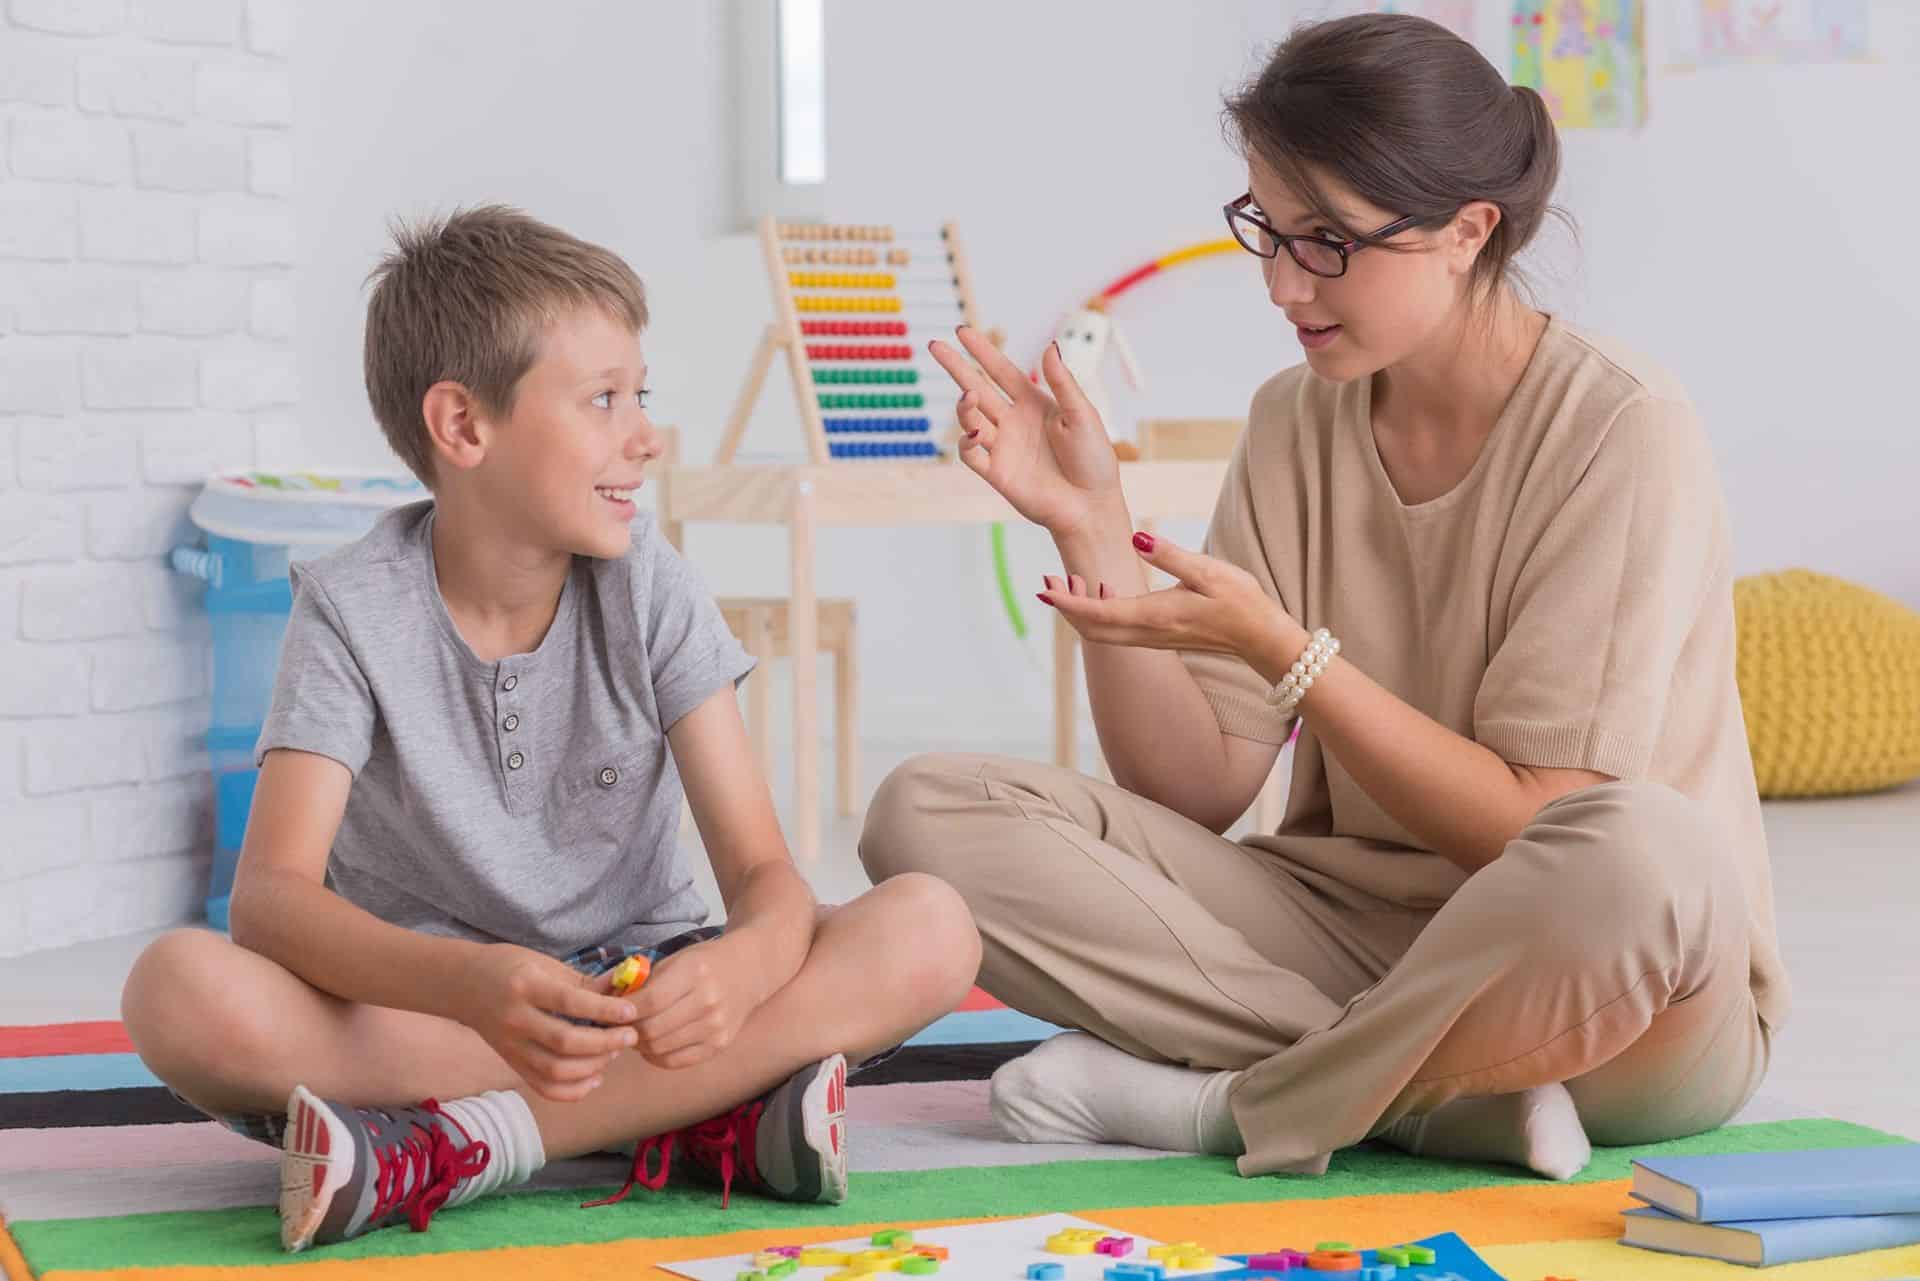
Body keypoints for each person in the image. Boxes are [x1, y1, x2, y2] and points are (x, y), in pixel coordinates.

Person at [860, 14, 1787, 1181]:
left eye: (1328, 243)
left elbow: (1530, 827)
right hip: (1352, 942)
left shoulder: (1621, 428)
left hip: (1616, 995)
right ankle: (1423, 1104)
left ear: (1468, 230)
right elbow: (1195, 787)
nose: (1283, 284)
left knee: (1646, 847)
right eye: (1267, 230)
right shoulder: (1295, 420)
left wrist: (1292, 656)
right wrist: (1091, 521)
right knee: (928, 810)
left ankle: (1225, 1105)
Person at [121, 206, 980, 1250]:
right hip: (436, 1014)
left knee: (933, 925)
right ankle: (706, 1114)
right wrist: (470, 986)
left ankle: (452, 1148)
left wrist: (746, 966)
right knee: (176, 992)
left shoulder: (651, 588)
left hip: (644, 998)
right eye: (604, 399)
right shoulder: (348, 609)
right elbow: (271, 903)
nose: (646, 434)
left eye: (641, 395)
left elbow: (764, 871)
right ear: (463, 427)